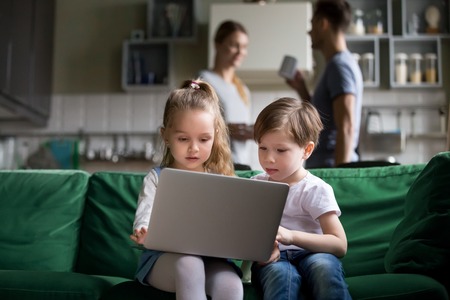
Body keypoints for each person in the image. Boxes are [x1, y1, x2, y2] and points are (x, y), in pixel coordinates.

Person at [130, 79, 243, 300]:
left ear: (215, 136)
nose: (194, 148)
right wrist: (144, 229)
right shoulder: (157, 178)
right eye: (183, 138)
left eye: (204, 139)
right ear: (165, 135)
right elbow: (145, 214)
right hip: (165, 261)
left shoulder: (221, 180)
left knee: (231, 285)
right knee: (190, 265)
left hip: (211, 260)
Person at [250, 97, 352, 300]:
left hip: (313, 253)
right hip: (274, 259)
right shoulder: (256, 185)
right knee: (280, 276)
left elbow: (339, 244)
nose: (269, 158)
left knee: (324, 267)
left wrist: (292, 236)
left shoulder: (315, 189)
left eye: (280, 150)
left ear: (306, 150)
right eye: (263, 148)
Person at [286, 0, 363, 168]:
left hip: (331, 168)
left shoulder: (339, 65)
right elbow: (322, 118)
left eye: (312, 25)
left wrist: (340, 177)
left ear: (323, 24)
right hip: (325, 167)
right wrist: (301, 89)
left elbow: (346, 124)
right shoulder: (336, 65)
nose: (309, 32)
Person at [199, 20, 253, 170]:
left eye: (244, 47)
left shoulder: (243, 89)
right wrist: (226, 129)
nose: (240, 51)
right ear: (217, 44)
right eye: (234, 45)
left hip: (241, 166)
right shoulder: (204, 80)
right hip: (216, 165)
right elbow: (194, 126)